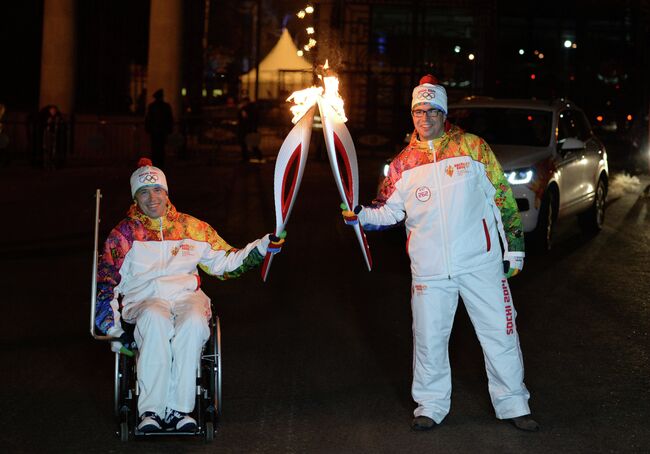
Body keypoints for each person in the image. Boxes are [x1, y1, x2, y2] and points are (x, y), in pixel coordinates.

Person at [343, 75, 538, 432]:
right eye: (419, 110)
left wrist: (516, 249)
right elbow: (387, 211)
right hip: (430, 270)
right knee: (429, 341)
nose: (426, 117)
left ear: (444, 113)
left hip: (481, 263)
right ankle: (430, 405)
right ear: (412, 114)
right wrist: (360, 215)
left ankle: (513, 403)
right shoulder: (402, 163)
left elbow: (502, 199)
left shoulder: (472, 147)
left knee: (500, 334)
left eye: (433, 110)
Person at [95, 158, 285, 433]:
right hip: (143, 301)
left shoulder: (192, 228)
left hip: (186, 296)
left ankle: (179, 410)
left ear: (166, 192)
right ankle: (151, 411)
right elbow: (106, 284)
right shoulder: (122, 235)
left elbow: (226, 264)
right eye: (144, 192)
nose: (152, 198)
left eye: (157, 190)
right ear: (135, 197)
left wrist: (262, 247)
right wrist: (112, 330)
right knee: (155, 319)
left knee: (195, 321)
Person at [145, 89, 174, 169]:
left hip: (155, 130)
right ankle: (160, 163)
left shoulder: (152, 106)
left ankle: (155, 163)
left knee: (155, 147)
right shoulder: (165, 106)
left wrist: (148, 128)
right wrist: (169, 129)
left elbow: (148, 119)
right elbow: (169, 119)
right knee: (161, 147)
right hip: (162, 130)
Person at [237, 97, 265, 163]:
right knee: (248, 144)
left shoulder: (246, 109)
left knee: (249, 144)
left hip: (247, 129)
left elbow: (245, 118)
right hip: (249, 129)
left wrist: (241, 109)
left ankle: (252, 157)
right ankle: (254, 157)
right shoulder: (251, 108)